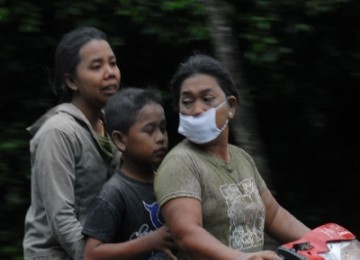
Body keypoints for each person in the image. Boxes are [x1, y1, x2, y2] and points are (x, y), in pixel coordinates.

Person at [154, 54, 311, 260]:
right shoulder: (180, 163)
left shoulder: (241, 157)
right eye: (188, 101)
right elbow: (186, 234)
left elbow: (273, 215)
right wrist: (243, 258)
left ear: (231, 107)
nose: (197, 109)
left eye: (207, 99)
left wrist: (323, 244)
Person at [23, 26, 121, 260]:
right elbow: (61, 220)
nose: (110, 72)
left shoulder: (114, 126)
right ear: (71, 81)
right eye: (96, 67)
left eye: (113, 63)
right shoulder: (58, 132)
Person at [82, 87, 176, 260]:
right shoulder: (115, 193)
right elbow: (91, 254)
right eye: (149, 131)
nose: (160, 137)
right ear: (120, 140)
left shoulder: (169, 183)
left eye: (162, 128)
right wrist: (149, 242)